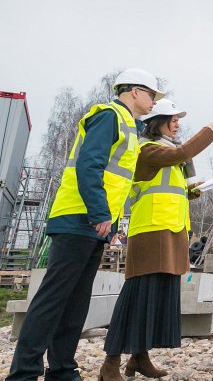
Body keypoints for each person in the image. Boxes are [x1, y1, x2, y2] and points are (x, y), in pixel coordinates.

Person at [6, 69, 163, 381]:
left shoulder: (130, 127)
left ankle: (62, 369)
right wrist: (99, 213)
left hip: (95, 224)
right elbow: (89, 165)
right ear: (133, 91)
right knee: (52, 300)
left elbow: (115, 180)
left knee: (75, 304)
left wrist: (111, 222)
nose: (154, 102)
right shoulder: (109, 116)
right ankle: (23, 373)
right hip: (78, 218)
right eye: (151, 95)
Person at [98, 99, 213, 381]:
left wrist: (191, 192)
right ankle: (110, 364)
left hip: (171, 232)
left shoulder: (165, 152)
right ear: (157, 122)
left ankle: (139, 358)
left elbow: (165, 184)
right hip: (151, 233)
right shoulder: (146, 148)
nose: (178, 124)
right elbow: (182, 153)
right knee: (137, 297)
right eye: (173, 119)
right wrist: (208, 131)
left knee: (156, 298)